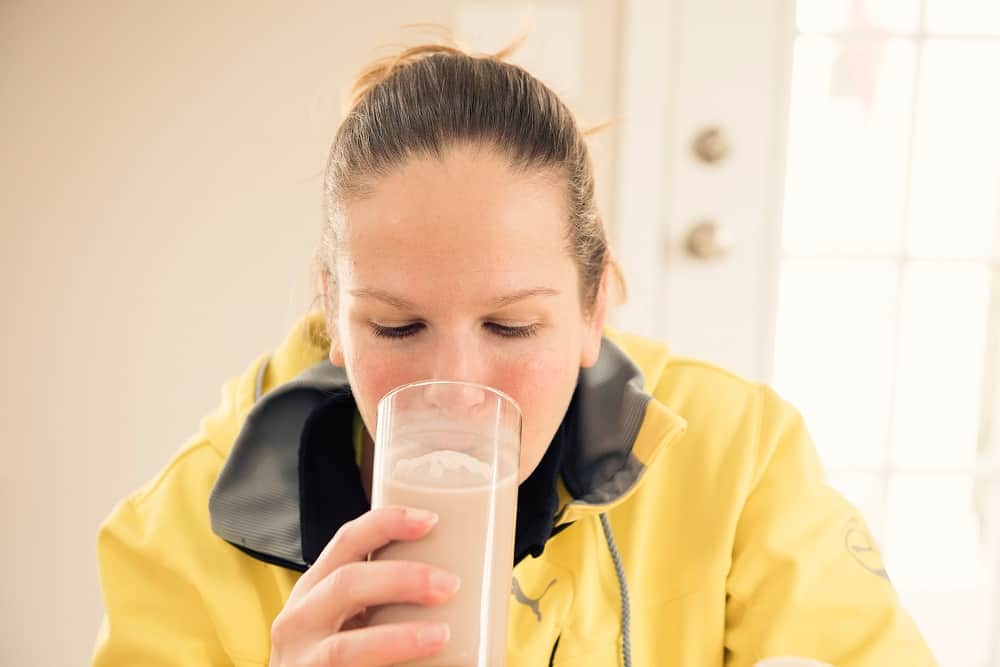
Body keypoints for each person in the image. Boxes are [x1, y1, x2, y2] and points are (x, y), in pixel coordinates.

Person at [91, 41, 937, 667]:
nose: (454, 389)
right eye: (395, 327)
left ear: (595, 305)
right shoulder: (185, 528)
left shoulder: (739, 458)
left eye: (510, 328)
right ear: (333, 316)